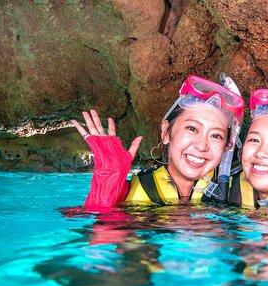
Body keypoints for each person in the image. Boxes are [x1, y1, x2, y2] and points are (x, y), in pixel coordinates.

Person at [71, 75, 245, 212]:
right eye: (192, 128)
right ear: (166, 132)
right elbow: (99, 242)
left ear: (226, 147)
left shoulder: (234, 193)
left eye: (216, 136)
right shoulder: (126, 194)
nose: (202, 145)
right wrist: (109, 175)